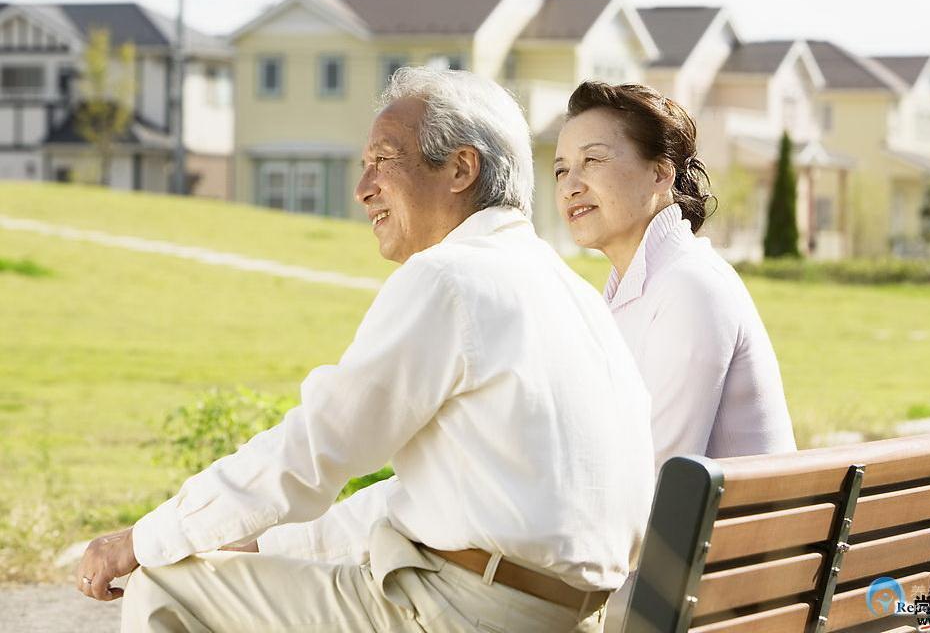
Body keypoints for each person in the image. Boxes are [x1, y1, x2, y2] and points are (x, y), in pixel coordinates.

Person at [76, 68, 656, 633]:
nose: (362, 190)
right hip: (568, 616)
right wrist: (260, 540)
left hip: (464, 614)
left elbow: (313, 449)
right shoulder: (570, 294)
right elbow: (427, 498)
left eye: (383, 161)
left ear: (460, 168)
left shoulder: (450, 277)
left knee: (164, 585)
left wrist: (142, 540)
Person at [554, 81, 796, 633]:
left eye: (593, 160)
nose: (572, 184)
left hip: (726, 596)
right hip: (701, 580)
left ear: (662, 172)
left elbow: (657, 484)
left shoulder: (690, 286)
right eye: (562, 170)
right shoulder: (624, 293)